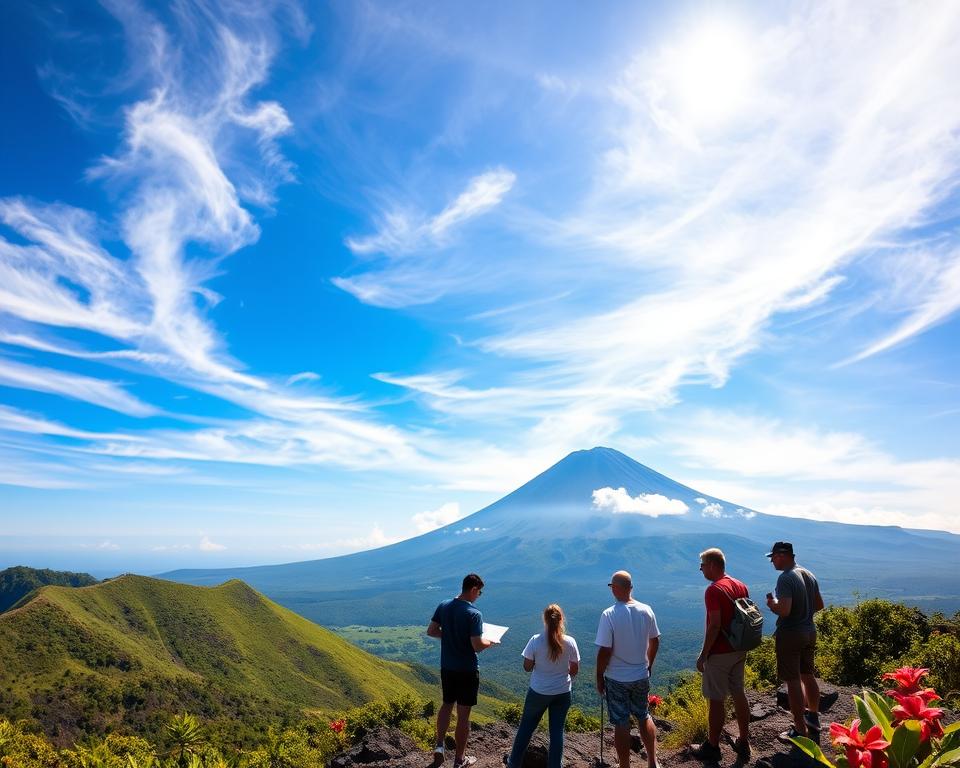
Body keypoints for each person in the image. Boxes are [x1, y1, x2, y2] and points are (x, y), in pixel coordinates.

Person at [427, 573, 496, 768]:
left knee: (446, 704)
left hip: (447, 667)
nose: (479, 596)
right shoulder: (474, 613)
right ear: (473, 589)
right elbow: (476, 645)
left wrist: (450, 637)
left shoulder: (444, 605)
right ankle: (459, 759)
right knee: (464, 715)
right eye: (479, 592)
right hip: (467, 670)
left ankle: (439, 746)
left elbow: (431, 631)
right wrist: (490, 642)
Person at [690, 548, 751, 763]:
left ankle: (712, 746)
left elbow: (715, 625)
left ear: (713, 566)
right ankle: (744, 740)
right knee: (738, 693)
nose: (700, 568)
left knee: (716, 700)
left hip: (720, 652)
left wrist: (703, 655)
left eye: (703, 565)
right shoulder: (740, 585)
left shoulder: (713, 590)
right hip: (739, 648)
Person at [596, 570, 661, 768]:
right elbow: (655, 640)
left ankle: (625, 765)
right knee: (643, 716)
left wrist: (599, 675)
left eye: (611, 586)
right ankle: (652, 761)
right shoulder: (646, 610)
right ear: (630, 588)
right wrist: (649, 663)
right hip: (641, 673)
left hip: (616, 677)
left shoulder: (609, 614)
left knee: (621, 723)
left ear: (615, 589)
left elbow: (605, 650)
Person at [506, 604, 580, 768]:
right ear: (561, 620)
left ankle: (513, 764)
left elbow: (527, 667)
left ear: (545, 620)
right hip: (562, 692)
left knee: (526, 728)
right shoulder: (570, 642)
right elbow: (574, 670)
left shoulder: (535, 640)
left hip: (538, 692)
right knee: (557, 732)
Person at [765, 541, 825, 744]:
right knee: (808, 675)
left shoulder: (785, 578)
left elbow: (784, 610)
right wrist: (804, 614)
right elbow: (819, 605)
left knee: (792, 681)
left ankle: (800, 730)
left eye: (773, 557)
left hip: (791, 634)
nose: (772, 561)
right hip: (810, 631)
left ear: (782, 556)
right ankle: (813, 716)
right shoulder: (809, 574)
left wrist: (772, 604)